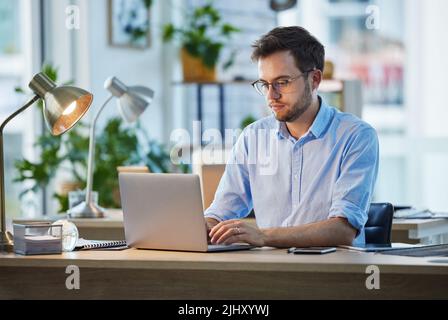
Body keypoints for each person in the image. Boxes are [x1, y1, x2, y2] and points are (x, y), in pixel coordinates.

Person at [205, 26, 379, 248]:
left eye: (282, 82)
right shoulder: (253, 137)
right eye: (265, 84)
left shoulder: (356, 137)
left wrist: (264, 236)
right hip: (270, 270)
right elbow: (221, 212)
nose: (271, 96)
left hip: (335, 273)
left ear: (315, 79)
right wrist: (203, 226)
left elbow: (342, 230)